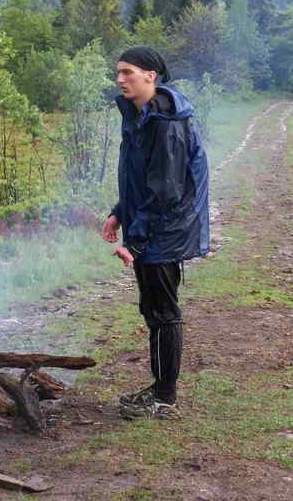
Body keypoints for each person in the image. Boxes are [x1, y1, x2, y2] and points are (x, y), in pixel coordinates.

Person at [102, 46, 209, 420]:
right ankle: (160, 389)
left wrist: (135, 242)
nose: (120, 79)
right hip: (152, 226)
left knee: (163, 311)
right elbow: (140, 178)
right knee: (154, 309)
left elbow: (164, 190)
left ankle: (164, 397)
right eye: (118, 72)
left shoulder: (166, 123)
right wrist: (119, 213)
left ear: (151, 76)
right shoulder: (138, 115)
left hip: (165, 230)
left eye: (127, 72)